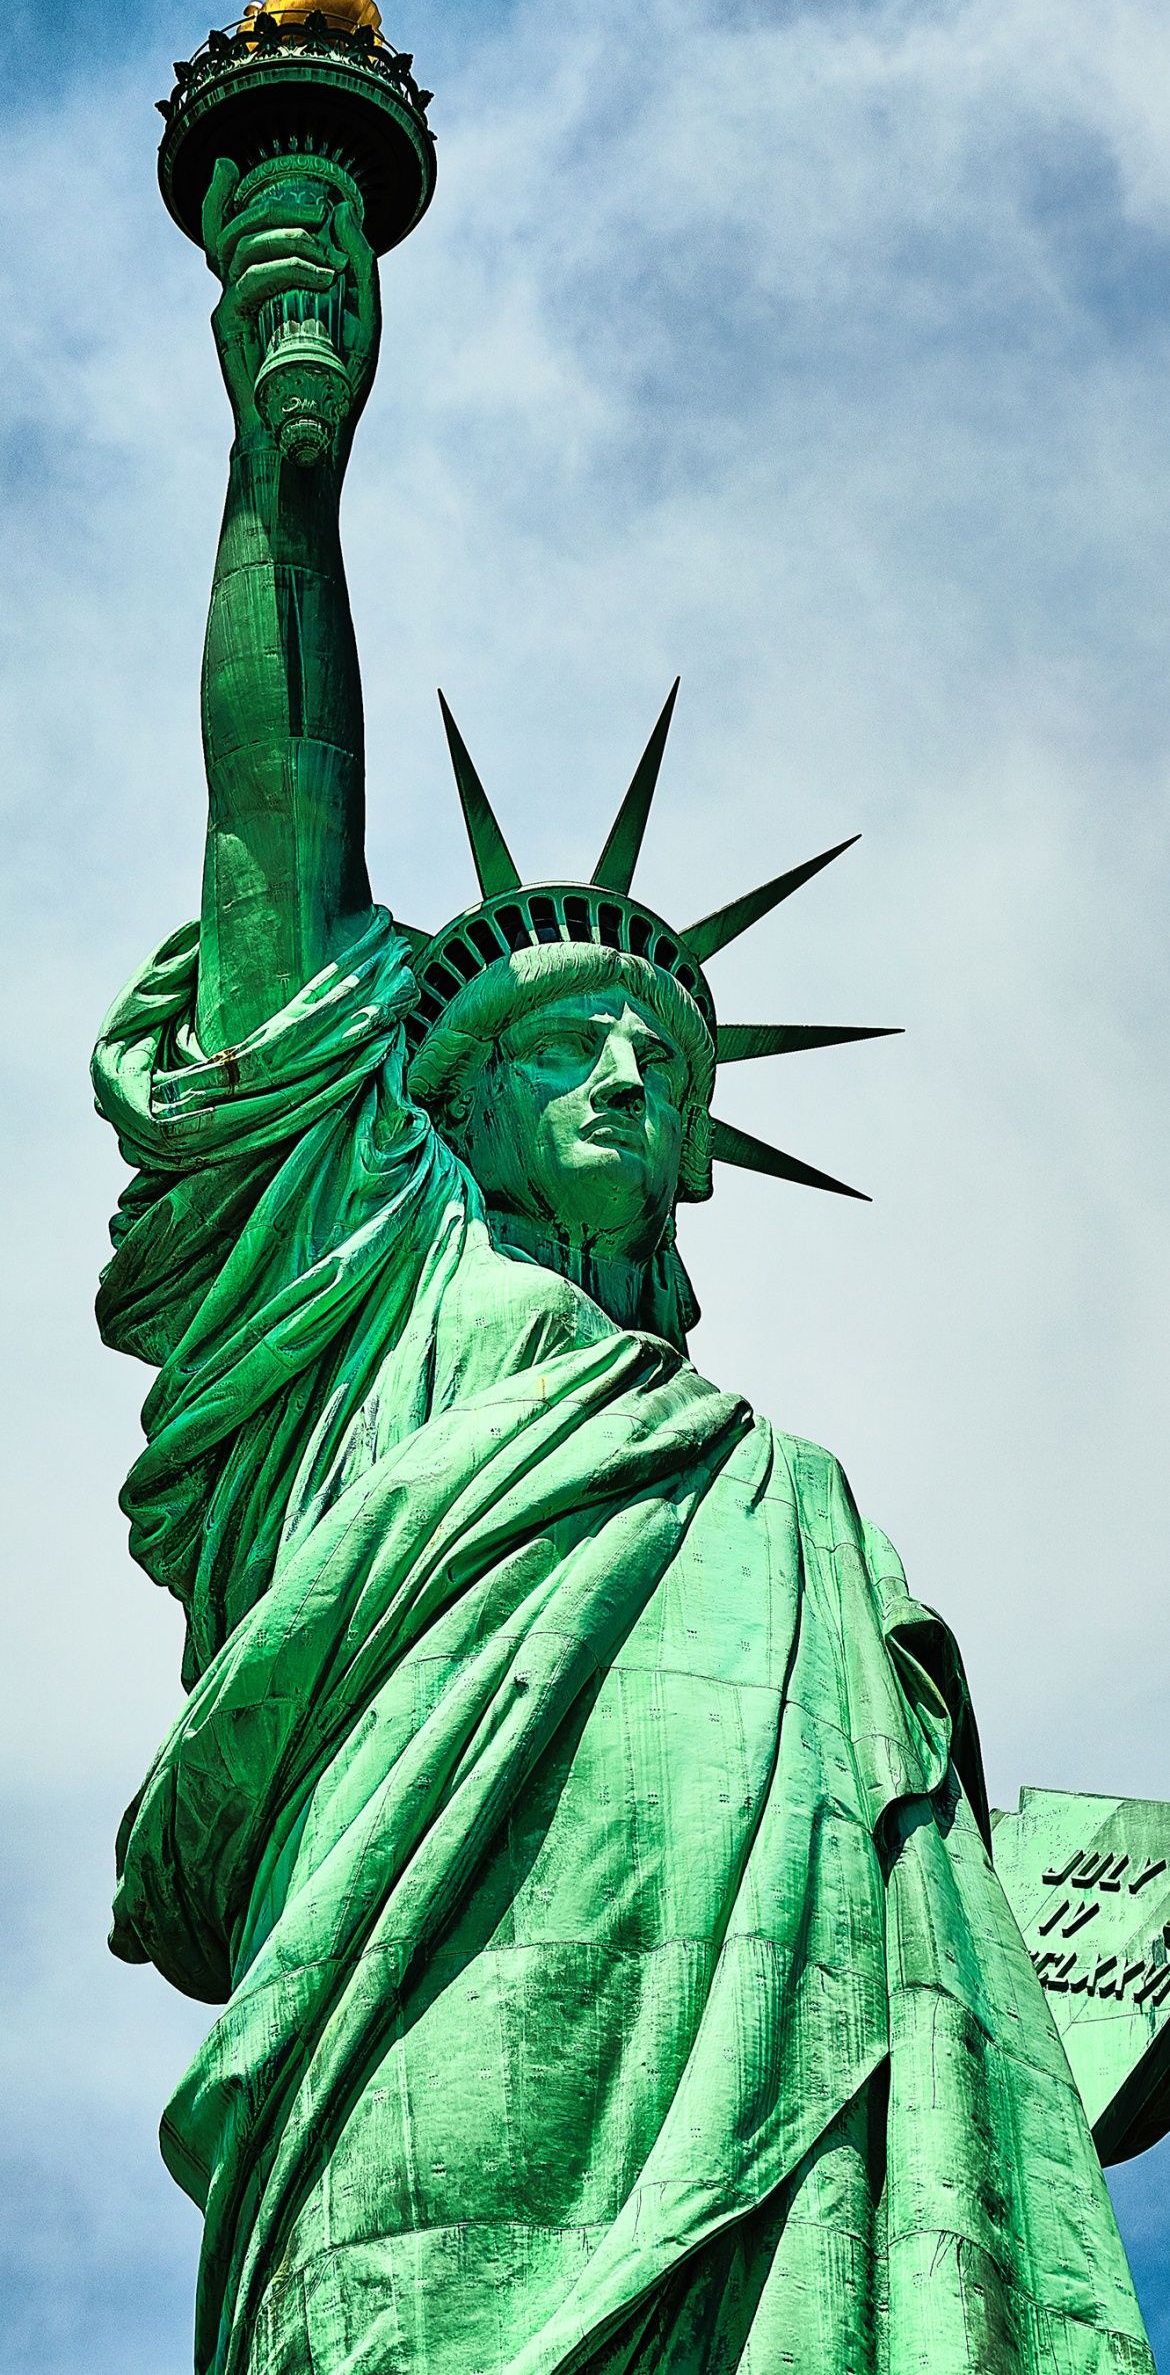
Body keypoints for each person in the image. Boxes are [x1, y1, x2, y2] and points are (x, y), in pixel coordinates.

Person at [93, 160, 1154, 2375]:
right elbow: (274, 820)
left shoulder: (790, 1504)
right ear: (424, 1105)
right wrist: (285, 460)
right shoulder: (362, 1308)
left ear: (691, 1151)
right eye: (547, 1043)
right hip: (419, 2092)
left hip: (801, 2144)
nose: (610, 1075)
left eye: (655, 1061)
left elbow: (913, 1896)